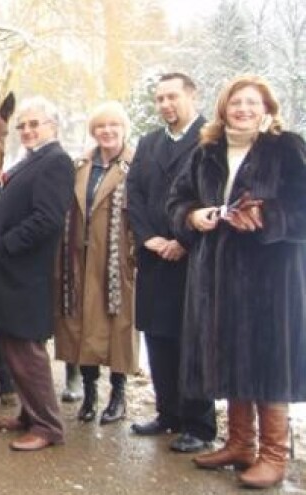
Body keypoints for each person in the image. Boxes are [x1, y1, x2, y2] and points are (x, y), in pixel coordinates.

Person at [167, 75, 306, 489]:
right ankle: (240, 443)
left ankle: (274, 455)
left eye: (252, 103)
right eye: (235, 103)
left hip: (269, 281)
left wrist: (269, 217)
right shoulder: (206, 151)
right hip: (214, 278)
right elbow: (177, 199)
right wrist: (193, 216)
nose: (243, 109)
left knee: (267, 361)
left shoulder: (287, 149)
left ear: (267, 109)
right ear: (223, 109)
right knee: (227, 356)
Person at [0, 96, 74, 452]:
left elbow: (48, 218)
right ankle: (29, 414)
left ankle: (47, 426)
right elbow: (16, 204)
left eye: (35, 124)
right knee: (13, 346)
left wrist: (6, 244)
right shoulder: (32, 161)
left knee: (27, 351)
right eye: (23, 125)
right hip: (12, 270)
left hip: (24, 272)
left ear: (52, 127)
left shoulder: (55, 162)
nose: (27, 130)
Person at [126, 72, 217, 453]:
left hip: (194, 258)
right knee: (158, 337)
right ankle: (168, 413)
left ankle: (198, 423)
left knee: (191, 341)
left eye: (172, 97)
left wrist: (183, 238)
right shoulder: (148, 144)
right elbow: (136, 193)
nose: (165, 105)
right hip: (154, 257)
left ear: (191, 97)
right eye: (160, 98)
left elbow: (212, 195)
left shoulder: (211, 140)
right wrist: (149, 237)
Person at [54, 101, 139, 425]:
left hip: (117, 259)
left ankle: (118, 396)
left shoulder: (136, 165)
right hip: (79, 256)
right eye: (101, 127)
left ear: (123, 129)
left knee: (118, 326)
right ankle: (89, 394)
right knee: (81, 325)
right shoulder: (81, 166)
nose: (107, 132)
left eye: (113, 126)